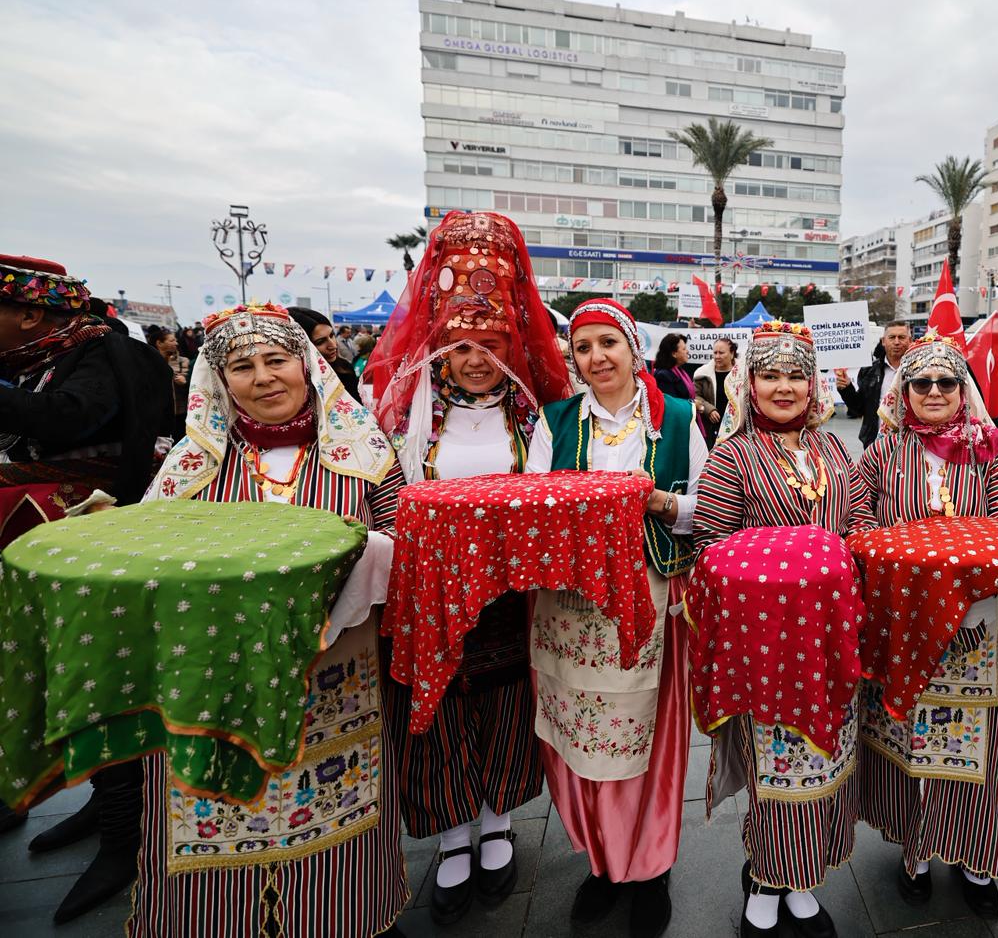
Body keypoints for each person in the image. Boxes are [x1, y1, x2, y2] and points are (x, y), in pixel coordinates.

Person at [131, 302, 409, 938]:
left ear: (307, 366)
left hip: (335, 673)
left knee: (335, 808)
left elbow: (403, 539)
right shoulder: (192, 463)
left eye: (277, 360)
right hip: (217, 676)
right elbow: (151, 554)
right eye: (244, 366)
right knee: (216, 811)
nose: (263, 378)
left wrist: (356, 569)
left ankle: (344, 917)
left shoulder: (367, 453)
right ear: (220, 381)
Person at [365, 210, 571, 924]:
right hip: (426, 592)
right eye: (462, 345)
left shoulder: (533, 421)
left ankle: (496, 824)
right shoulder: (405, 416)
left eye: (489, 344)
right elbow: (385, 495)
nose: (477, 358)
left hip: (507, 596)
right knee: (439, 709)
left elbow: (545, 497)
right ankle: (452, 837)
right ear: (440, 348)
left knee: (505, 702)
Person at [0, 254, 171, 920]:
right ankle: (102, 806)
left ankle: (125, 835)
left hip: (108, 551)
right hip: (62, 548)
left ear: (31, 314)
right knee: (74, 675)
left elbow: (70, 422)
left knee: (108, 678)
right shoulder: (52, 358)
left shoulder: (108, 357)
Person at [527, 298, 703, 938]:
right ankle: (602, 862)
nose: (597, 357)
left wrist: (656, 502)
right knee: (580, 731)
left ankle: (651, 867)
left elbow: (704, 509)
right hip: (571, 601)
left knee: (647, 734)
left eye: (608, 343)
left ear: (633, 348)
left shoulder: (680, 420)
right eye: (583, 347)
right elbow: (531, 502)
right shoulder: (555, 422)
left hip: (652, 591)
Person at [850, 331, 998, 921]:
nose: (931, 392)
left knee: (971, 740)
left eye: (945, 382)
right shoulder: (881, 451)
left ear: (963, 390)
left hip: (971, 622)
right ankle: (916, 853)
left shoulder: (993, 450)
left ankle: (975, 859)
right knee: (905, 735)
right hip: (899, 616)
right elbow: (857, 519)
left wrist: (978, 583)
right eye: (919, 383)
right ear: (903, 390)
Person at [693, 320, 859, 938]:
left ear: (812, 384)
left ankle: (800, 878)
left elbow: (857, 525)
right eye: (770, 375)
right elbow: (709, 545)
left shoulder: (833, 448)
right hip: (763, 643)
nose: (784, 387)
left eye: (796, 375)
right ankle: (765, 876)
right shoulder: (733, 453)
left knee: (824, 762)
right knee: (776, 762)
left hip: (829, 634)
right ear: (749, 382)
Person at [836, 319, 912, 448]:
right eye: (892, 337)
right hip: (875, 445)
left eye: (902, 337)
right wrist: (846, 388)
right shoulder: (869, 370)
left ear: (910, 341)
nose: (897, 342)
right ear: (883, 341)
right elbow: (858, 408)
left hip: (910, 445)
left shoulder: (919, 370)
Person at [287, 306, 361, 397]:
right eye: (320, 342)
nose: (333, 345)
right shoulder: (294, 380)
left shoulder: (345, 368)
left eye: (331, 335)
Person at [694, 336, 739, 432]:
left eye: (721, 353)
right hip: (711, 428)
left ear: (732, 354)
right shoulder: (702, 373)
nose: (717, 356)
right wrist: (708, 409)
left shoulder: (743, 372)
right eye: (715, 353)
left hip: (737, 427)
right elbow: (695, 395)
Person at [151, 327, 190, 438]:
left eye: (176, 340)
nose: (176, 343)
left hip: (180, 412)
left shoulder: (183, 361)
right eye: (172, 340)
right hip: (157, 412)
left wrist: (184, 383)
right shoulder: (148, 362)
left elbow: (192, 386)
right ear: (159, 343)